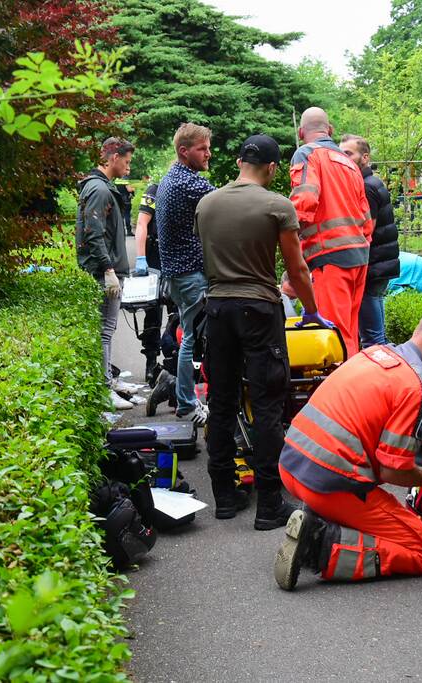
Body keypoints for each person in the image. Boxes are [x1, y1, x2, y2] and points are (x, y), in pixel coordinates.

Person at [272, 311, 422, 590]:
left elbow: (381, 413)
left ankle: (317, 518)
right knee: (421, 550)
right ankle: (317, 544)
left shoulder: (376, 355)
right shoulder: (420, 387)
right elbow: (393, 472)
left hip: (291, 466)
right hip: (329, 485)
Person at [195, 134, 331, 528]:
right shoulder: (277, 206)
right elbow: (296, 268)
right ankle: (270, 506)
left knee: (221, 402)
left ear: (240, 161)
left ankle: (224, 496)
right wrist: (312, 311)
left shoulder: (206, 204)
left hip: (217, 309)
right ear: (272, 168)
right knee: (268, 405)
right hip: (259, 309)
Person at [289, 107, 374, 355]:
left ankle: (339, 381)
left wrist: (288, 235)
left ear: (301, 132)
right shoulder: (349, 162)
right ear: (330, 130)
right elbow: (366, 219)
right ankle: (352, 378)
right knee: (349, 333)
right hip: (359, 257)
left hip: (330, 258)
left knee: (333, 337)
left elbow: (305, 200)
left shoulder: (306, 154)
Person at [155, 123, 215, 426]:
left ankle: (182, 395)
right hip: (190, 274)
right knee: (194, 339)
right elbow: (227, 202)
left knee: (189, 337)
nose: (208, 154)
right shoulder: (187, 182)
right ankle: (188, 404)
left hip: (177, 274)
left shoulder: (170, 179)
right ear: (184, 151)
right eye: (202, 149)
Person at [76, 137, 139, 411]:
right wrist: (108, 270)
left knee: (107, 329)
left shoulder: (100, 187)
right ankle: (104, 389)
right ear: (114, 158)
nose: (128, 167)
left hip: (106, 269)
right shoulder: (100, 190)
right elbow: (94, 233)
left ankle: (108, 382)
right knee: (105, 330)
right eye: (126, 161)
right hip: (104, 272)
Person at [339, 135, 399, 347]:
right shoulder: (372, 182)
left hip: (372, 264)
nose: (343, 158)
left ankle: (378, 367)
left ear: (365, 157)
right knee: (377, 335)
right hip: (380, 262)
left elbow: (367, 229)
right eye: (341, 153)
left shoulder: (365, 186)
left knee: (372, 339)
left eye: (348, 153)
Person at [133, 179, 167, 386]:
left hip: (176, 258)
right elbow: (142, 223)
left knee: (177, 314)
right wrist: (140, 257)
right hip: (154, 257)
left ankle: (174, 362)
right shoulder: (155, 190)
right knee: (153, 311)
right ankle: (151, 361)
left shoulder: (190, 188)